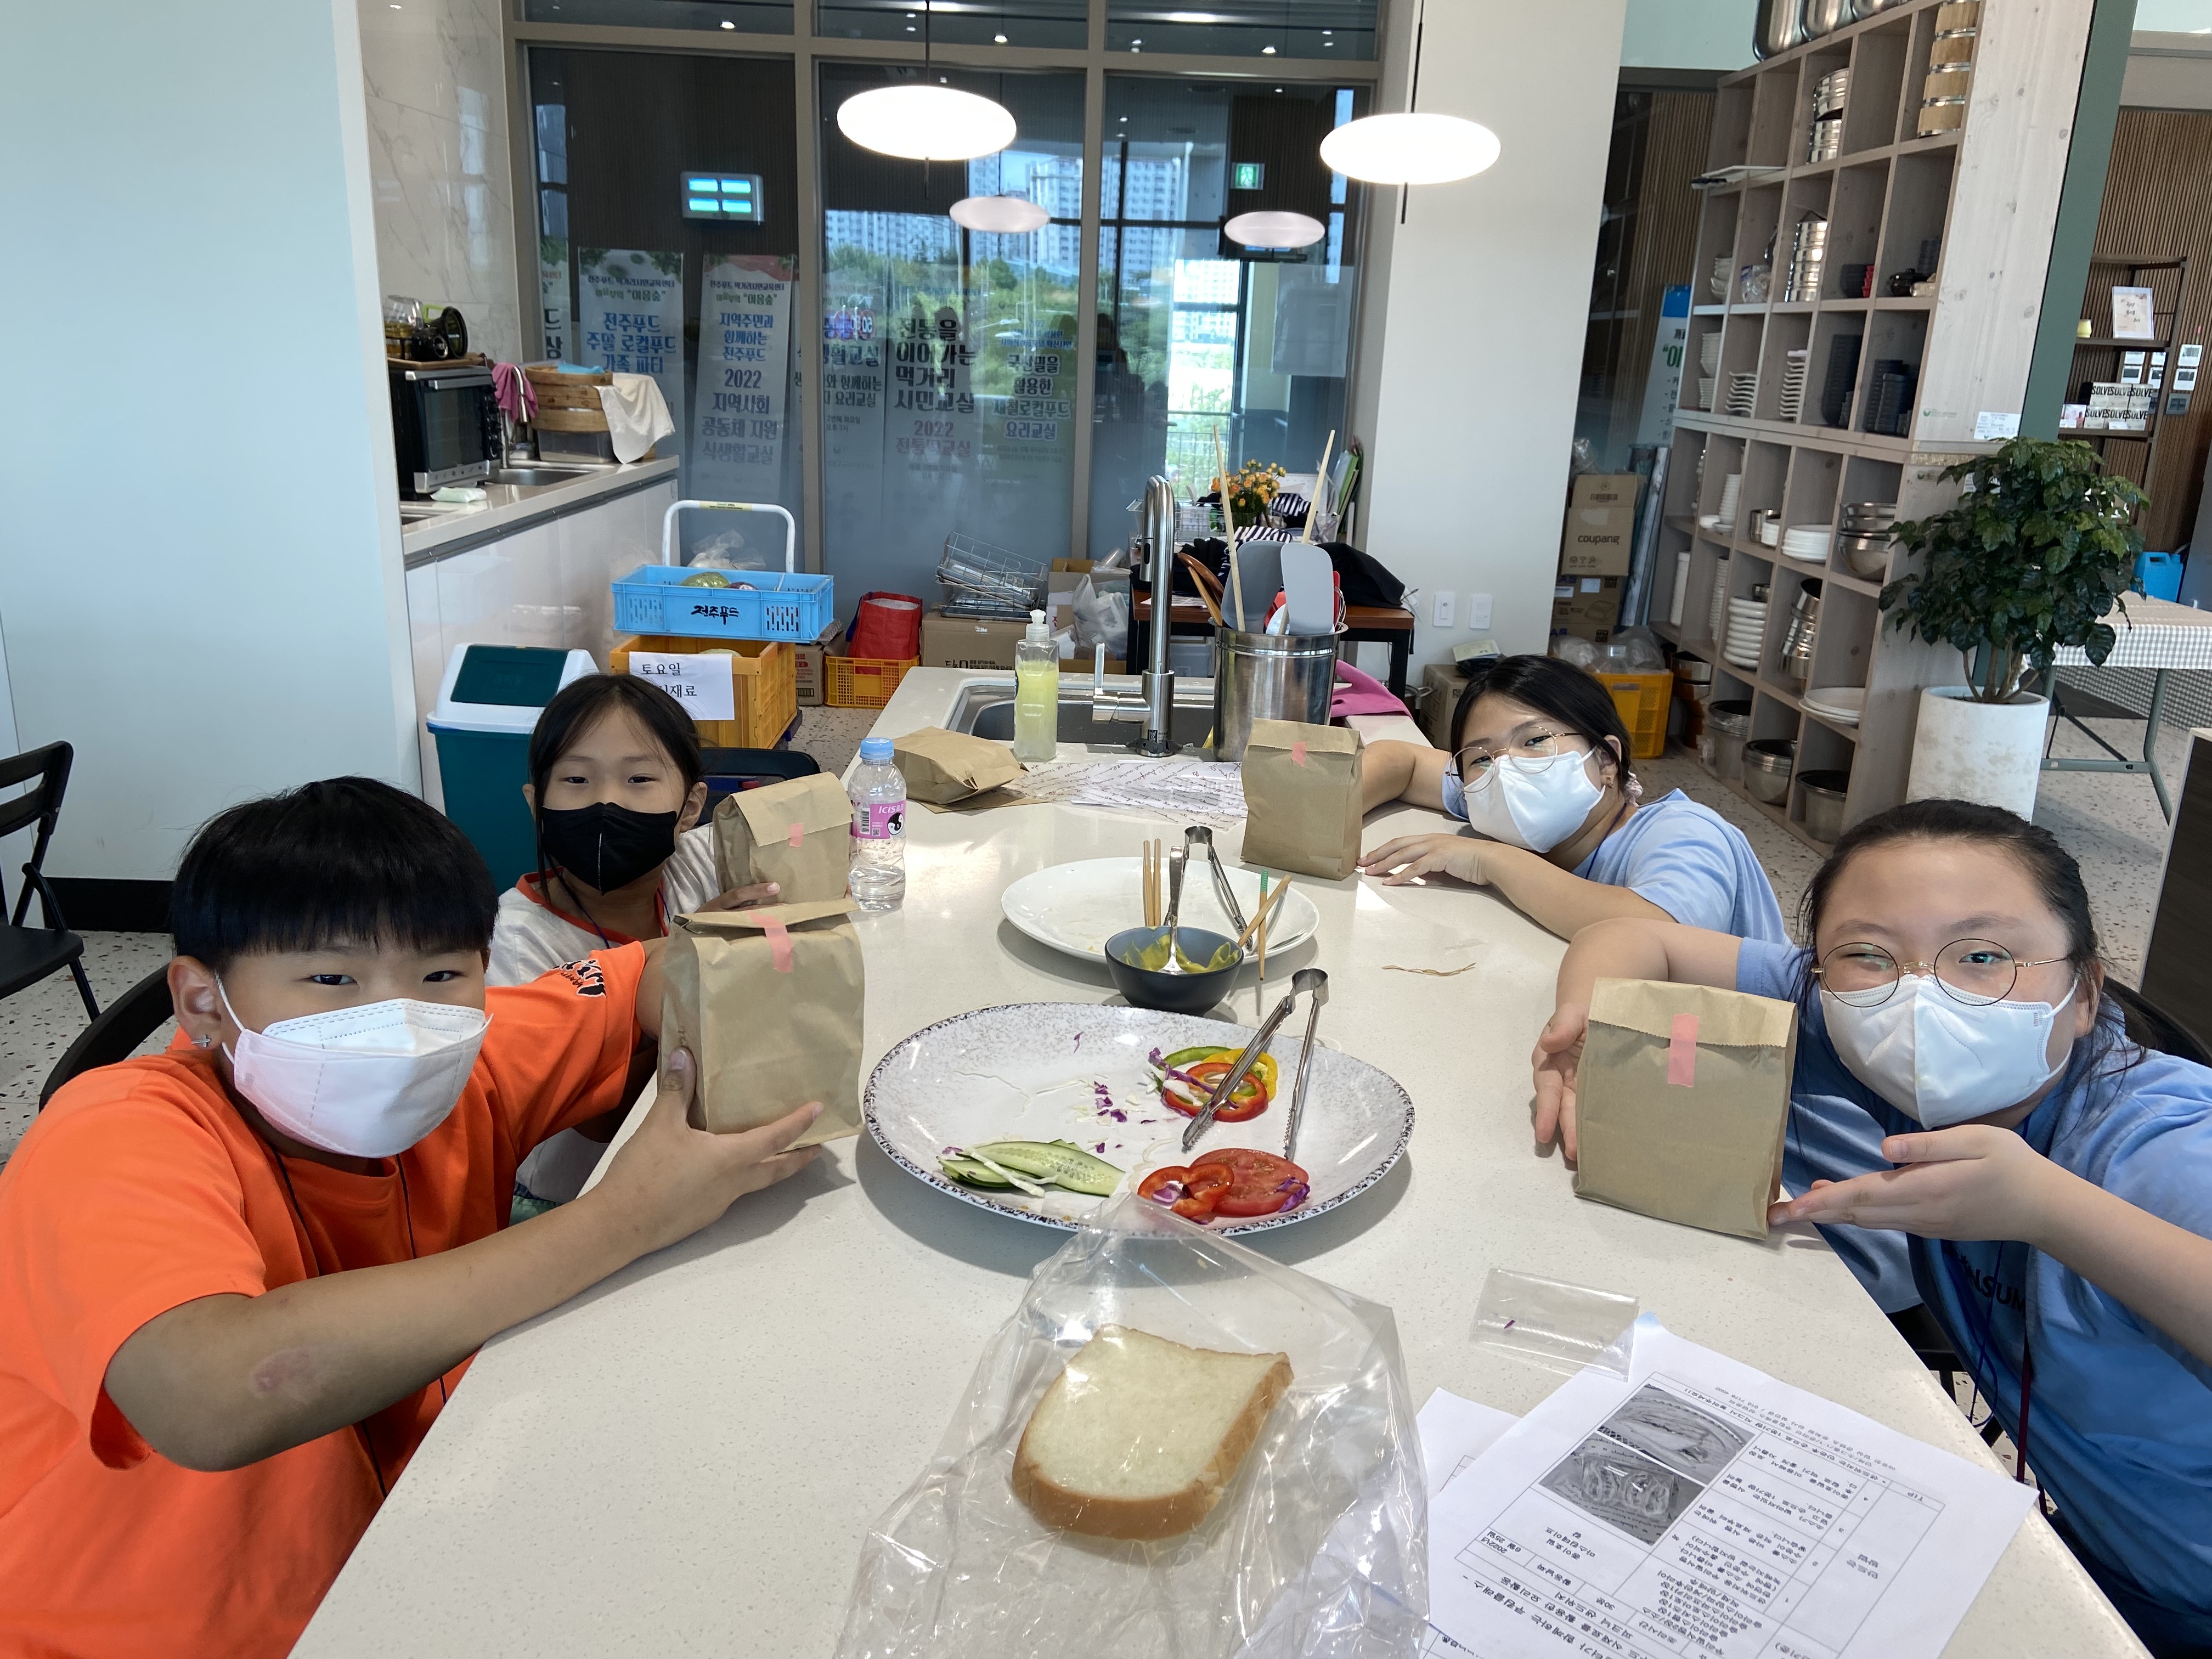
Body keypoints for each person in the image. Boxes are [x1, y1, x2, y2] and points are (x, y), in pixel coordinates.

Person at [0, 778, 821, 1658]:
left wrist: (740, 949)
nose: (397, 1025)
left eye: (439, 974)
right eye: (332, 978)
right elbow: (212, 1394)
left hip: (410, 1541)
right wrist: (627, 1217)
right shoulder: (115, 1132)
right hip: (165, 1627)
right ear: (204, 1003)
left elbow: (640, 979)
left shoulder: (471, 1063)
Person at [1528, 799, 2212, 1658]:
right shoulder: (1860, 1025)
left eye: (1984, 956)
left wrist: (2047, 1209)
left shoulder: (2160, 1145)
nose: (1921, 997)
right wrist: (1581, 1029)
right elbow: (1636, 941)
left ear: (2087, 993)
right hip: (2090, 1554)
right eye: (1867, 953)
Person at [497, 673, 776, 1210]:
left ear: (690, 808)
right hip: (573, 1202)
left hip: (698, 1160)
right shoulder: (517, 943)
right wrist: (689, 965)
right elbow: (589, 1123)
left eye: (639, 779)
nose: (607, 802)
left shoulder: (694, 863)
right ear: (537, 804)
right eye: (577, 779)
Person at [1359, 654, 1790, 945]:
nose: (1507, 769)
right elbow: (1402, 762)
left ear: (1605, 760)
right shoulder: (1490, 789)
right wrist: (1327, 816)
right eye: (1481, 757)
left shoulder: (1684, 832)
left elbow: (1660, 932)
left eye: (1535, 741)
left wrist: (1491, 860)